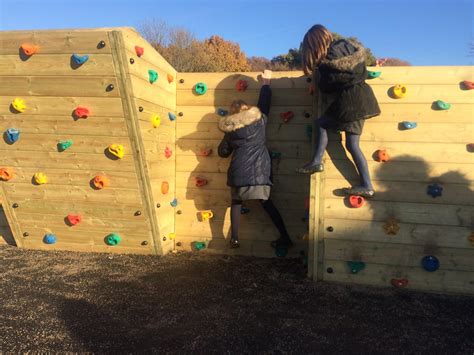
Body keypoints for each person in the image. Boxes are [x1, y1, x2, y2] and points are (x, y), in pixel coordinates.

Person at [296, 24, 381, 197]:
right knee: (352, 145)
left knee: (322, 124)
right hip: (364, 98)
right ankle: (367, 185)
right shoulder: (347, 48)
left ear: (315, 45)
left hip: (350, 101)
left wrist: (319, 77)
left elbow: (327, 86)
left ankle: (316, 161)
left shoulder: (330, 59)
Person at [218, 71, 293, 249]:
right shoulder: (260, 122)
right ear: (247, 110)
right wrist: (266, 83)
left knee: (236, 202)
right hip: (260, 171)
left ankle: (234, 238)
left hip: (239, 171)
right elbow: (265, 104)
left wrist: (226, 140)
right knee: (267, 203)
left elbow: (222, 153)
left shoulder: (231, 130)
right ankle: (285, 237)